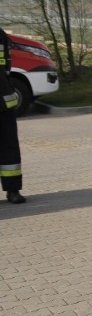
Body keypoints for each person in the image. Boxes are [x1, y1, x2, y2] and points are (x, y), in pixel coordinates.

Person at [0, 25, 25, 204]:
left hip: (3, 101)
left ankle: (13, 190)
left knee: (9, 148)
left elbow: (6, 65)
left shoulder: (0, 35)